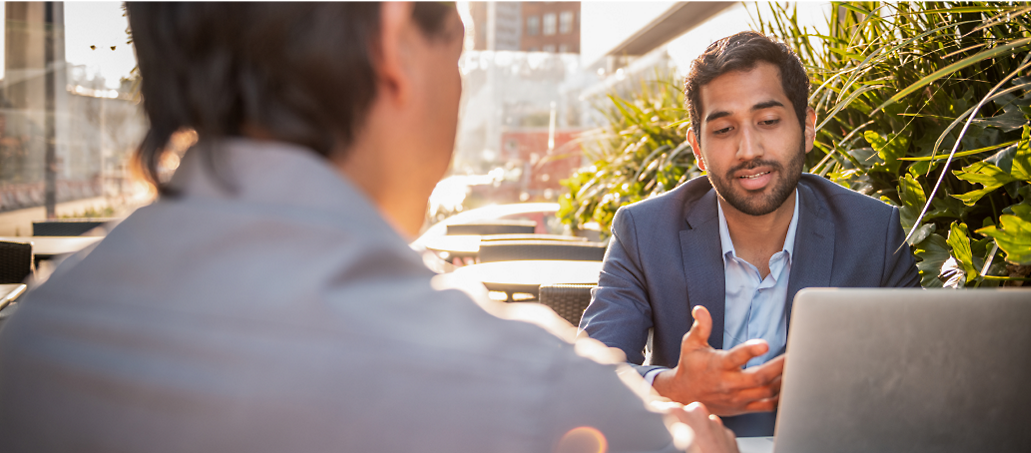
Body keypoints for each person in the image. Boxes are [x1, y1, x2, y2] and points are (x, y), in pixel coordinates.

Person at [0, 3, 741, 452]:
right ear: (394, 38)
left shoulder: (25, 347)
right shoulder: (541, 399)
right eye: (456, 37)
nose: (460, 86)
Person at [579, 31, 921, 437]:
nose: (748, 150)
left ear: (807, 127)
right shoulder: (644, 231)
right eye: (723, 129)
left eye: (769, 121)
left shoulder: (875, 233)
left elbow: (913, 381)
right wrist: (673, 388)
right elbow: (592, 373)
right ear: (699, 150)